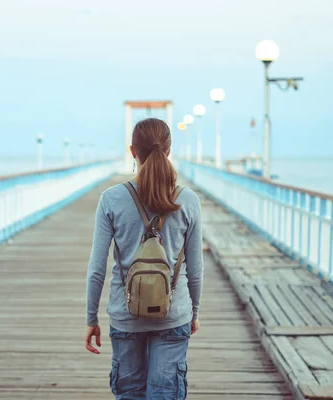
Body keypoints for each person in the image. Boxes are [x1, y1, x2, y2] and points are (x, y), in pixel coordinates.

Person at [85, 117, 204, 400]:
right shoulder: (188, 201)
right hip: (174, 315)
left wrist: (91, 318)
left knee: (129, 395)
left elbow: (96, 269)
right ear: (169, 151)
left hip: (125, 315)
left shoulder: (111, 199)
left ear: (132, 151)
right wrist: (194, 312)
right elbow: (196, 269)